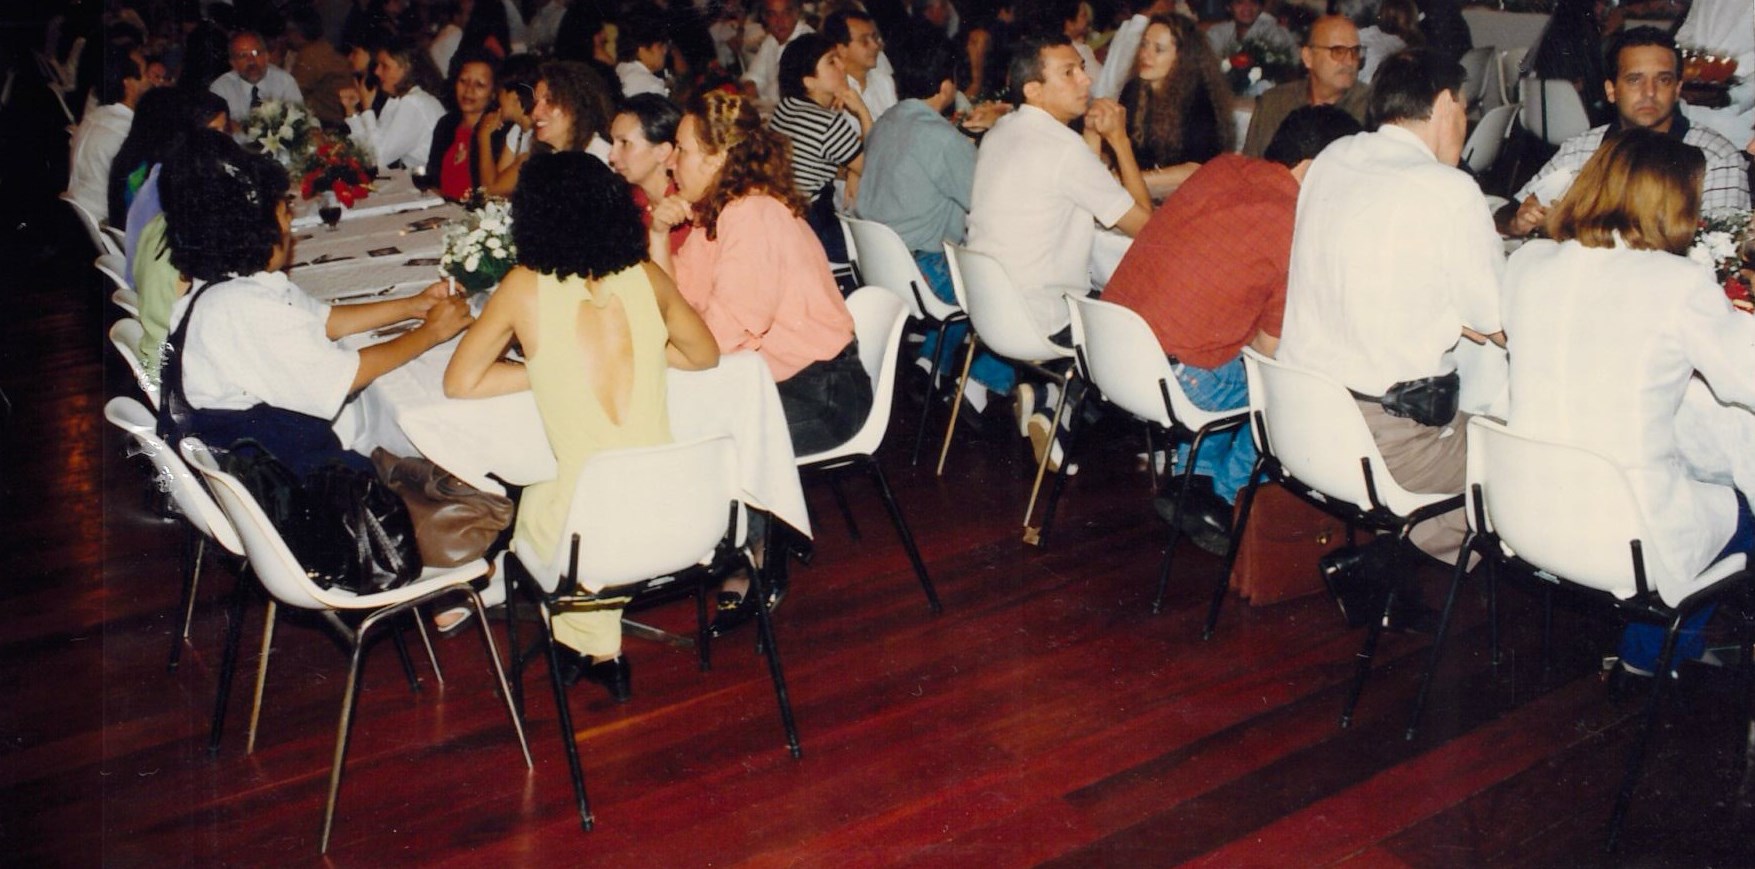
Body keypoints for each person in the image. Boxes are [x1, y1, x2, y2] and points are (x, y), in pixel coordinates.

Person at [444, 152, 720, 701]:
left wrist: (544, 369)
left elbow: (461, 381)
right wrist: (639, 353)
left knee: (540, 497)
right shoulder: (648, 277)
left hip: (582, 530)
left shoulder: (524, 287)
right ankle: (598, 652)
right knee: (582, 491)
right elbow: (704, 355)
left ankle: (588, 650)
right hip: (673, 509)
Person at [1502, 127, 1755, 678]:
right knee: (1743, 500)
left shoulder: (1529, 263)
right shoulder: (1678, 282)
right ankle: (1651, 655)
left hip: (1521, 510)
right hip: (1620, 534)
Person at [647, 89, 870, 633]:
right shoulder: (719, 213)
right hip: (771, 382)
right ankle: (741, 536)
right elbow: (675, 306)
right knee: (678, 418)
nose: (672, 162)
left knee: (706, 439)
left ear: (718, 158)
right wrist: (657, 234)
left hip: (824, 391)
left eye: (682, 150)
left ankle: (754, 553)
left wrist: (655, 358)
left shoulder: (752, 215)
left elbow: (719, 335)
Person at [1278, 48, 1502, 571]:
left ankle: (1391, 561)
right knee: (1532, 446)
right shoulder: (1450, 189)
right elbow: (1501, 325)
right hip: (1386, 447)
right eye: (1465, 109)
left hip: (1300, 422)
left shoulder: (1334, 157)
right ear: (1445, 104)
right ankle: (1401, 562)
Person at [1103, 106, 1363, 555]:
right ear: (1317, 167)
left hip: (1109, 352)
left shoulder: (1222, 168)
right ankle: (1224, 496)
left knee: (1221, 344)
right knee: (1298, 391)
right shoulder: (1297, 225)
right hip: (1172, 379)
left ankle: (1192, 481)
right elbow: (1268, 351)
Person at [158, 130, 471, 475]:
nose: (290, 225)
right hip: (271, 473)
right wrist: (429, 333)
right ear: (257, 229)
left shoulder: (226, 282)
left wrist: (412, 305)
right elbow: (344, 376)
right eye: (284, 215)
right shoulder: (241, 307)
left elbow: (325, 320)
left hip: (256, 452)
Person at [966, 32, 1150, 469]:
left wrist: (1091, 137)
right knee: (1135, 307)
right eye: (1069, 73)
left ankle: (1047, 393)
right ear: (1034, 89)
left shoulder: (1002, 130)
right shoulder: (1063, 150)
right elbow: (1147, 228)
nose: (1086, 80)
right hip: (1041, 322)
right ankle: (1059, 407)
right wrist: (1120, 140)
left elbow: (1073, 188)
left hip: (990, 313)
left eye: (1082, 69)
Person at [856, 28, 1014, 410]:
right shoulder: (943, 140)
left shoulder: (885, 122)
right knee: (1006, 277)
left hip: (879, 267)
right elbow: (986, 201)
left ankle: (932, 362)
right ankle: (982, 379)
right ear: (946, 87)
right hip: (922, 274)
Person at [1499, 27, 1750, 238]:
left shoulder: (1716, 157)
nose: (1649, 92)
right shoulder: (1582, 149)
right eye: (1634, 80)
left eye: (1663, 80)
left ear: (1677, 90)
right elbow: (1510, 211)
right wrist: (1518, 221)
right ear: (1611, 91)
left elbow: (1724, 246)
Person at [771, 32, 869, 260]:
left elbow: (813, 161)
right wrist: (862, 112)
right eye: (831, 62)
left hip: (783, 223)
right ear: (809, 81)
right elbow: (874, 168)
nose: (842, 66)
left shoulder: (785, 107)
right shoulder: (827, 123)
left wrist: (853, 171)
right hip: (813, 229)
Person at [1118, 14, 1231, 200]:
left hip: (1187, 198)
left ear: (1182, 58)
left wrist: (1129, 180)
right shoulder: (1133, 90)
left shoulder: (1199, 101)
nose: (1145, 54)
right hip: (1138, 193)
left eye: (1158, 49)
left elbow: (1196, 169)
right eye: (1144, 45)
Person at [1240, 15, 1368, 159]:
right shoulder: (1274, 103)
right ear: (1308, 57)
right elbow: (1250, 166)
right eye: (1338, 51)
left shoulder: (1371, 107)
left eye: (1355, 51)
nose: (1350, 61)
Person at [68, 43, 150, 225]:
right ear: (129, 84)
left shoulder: (93, 118)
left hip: (76, 216)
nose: (149, 82)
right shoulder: (127, 131)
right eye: (144, 74)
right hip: (102, 225)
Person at [340, 37, 445, 171]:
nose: (377, 71)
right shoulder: (395, 101)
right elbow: (367, 152)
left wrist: (367, 109)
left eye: (385, 66)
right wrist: (352, 112)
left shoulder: (415, 103)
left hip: (431, 181)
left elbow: (377, 159)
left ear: (406, 69)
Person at [608, 93, 690, 254]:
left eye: (624, 143)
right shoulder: (627, 201)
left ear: (662, 151)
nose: (611, 156)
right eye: (613, 143)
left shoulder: (687, 211)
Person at [425, 51, 500, 199]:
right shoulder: (446, 124)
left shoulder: (496, 132)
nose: (468, 90)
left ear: (494, 93)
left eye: (479, 85)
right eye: (463, 81)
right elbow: (432, 180)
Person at [475, 53, 540, 196]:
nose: (496, 97)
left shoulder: (538, 137)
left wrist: (483, 137)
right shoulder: (517, 131)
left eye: (499, 92)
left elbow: (490, 190)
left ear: (514, 95)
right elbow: (496, 182)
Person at [209, 30, 304, 127]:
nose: (251, 61)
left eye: (256, 53)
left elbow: (300, 121)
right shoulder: (220, 88)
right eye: (243, 56)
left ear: (267, 56)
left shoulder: (285, 82)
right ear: (233, 63)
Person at [530, 59, 615, 162]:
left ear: (577, 105)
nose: (535, 113)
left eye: (549, 101)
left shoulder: (603, 159)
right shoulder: (550, 157)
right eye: (535, 103)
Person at [285, 5, 354, 128]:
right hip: (339, 119)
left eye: (288, 31)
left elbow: (293, 92)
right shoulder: (322, 47)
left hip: (331, 123)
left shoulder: (310, 55)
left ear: (297, 32)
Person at [826, 9, 897, 121]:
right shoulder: (832, 92)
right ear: (842, 49)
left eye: (874, 38)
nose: (875, 46)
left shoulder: (884, 81)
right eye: (864, 41)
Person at [743, 0, 814, 107]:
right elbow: (754, 75)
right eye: (772, 15)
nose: (779, 21)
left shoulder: (808, 43)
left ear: (796, 13)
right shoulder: (771, 40)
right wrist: (750, 83)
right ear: (765, 17)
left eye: (786, 13)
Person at [1205, 0, 1293, 57]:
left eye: (1253, 2)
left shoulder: (1274, 33)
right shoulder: (1217, 32)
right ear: (1228, 7)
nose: (1247, 7)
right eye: (1239, 2)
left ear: (1260, 7)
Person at [614, 11, 671, 98]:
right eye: (660, 46)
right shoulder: (651, 86)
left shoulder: (619, 70)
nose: (665, 51)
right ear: (642, 49)